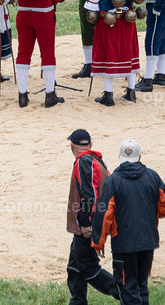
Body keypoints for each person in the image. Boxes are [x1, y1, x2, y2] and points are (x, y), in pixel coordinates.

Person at [92, 140, 165, 305]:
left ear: (120, 158)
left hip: (124, 244)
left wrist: (97, 242)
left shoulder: (113, 180)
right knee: (141, 286)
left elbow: (104, 213)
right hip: (147, 241)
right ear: (140, 157)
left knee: (128, 289)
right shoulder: (153, 176)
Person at [10, 0, 65, 108]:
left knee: (23, 53)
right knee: (47, 53)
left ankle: (22, 94)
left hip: (24, 13)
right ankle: (50, 94)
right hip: (44, 15)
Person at [65, 129, 120, 305]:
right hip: (95, 221)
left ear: (71, 146)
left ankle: (126, 294)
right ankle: (77, 301)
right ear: (90, 145)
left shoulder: (83, 162)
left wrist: (85, 224)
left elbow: (89, 196)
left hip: (88, 225)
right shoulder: (95, 159)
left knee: (87, 267)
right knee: (74, 266)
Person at [86, 0, 140, 107]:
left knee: (108, 54)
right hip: (128, 20)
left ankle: (108, 95)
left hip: (108, 21)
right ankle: (131, 91)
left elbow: (92, 0)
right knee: (129, 53)